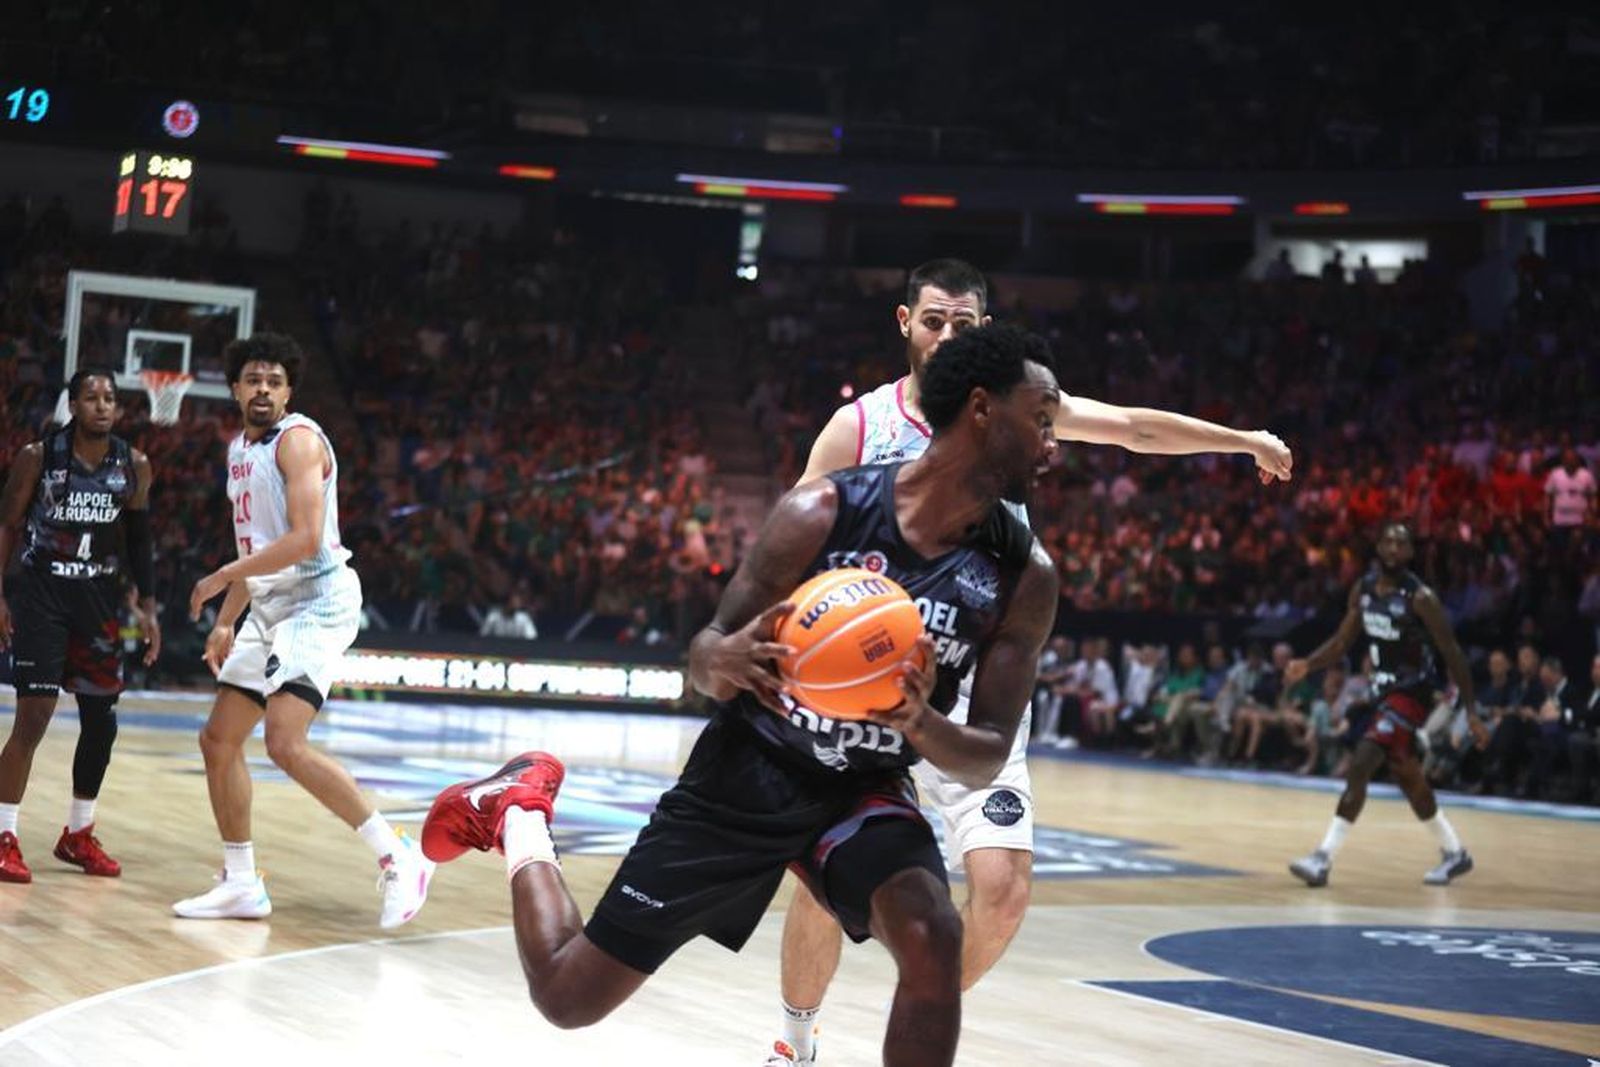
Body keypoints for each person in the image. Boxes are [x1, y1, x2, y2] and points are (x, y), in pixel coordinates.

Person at [419, 322, 1062, 1067]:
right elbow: (703, 657)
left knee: (933, 933)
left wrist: (918, 721)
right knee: (567, 997)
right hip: (748, 771)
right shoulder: (822, 512)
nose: (1053, 445)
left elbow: (985, 754)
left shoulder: (1023, 576)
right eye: (1042, 420)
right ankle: (521, 811)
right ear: (982, 409)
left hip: (861, 789)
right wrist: (729, 655)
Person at [767, 257, 1293, 1066]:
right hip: (873, 676)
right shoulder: (860, 427)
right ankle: (794, 1042)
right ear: (905, 323)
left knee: (1004, 892)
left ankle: (909, 1029)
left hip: (980, 681)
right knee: (822, 886)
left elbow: (1132, 427)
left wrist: (1241, 440)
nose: (948, 335)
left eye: (965, 324)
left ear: (986, 333)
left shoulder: (1018, 407)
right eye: (934, 319)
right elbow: (791, 544)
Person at [172, 334, 433, 927]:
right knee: (218, 742)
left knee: (284, 742)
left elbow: (302, 541)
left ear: (288, 392)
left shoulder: (299, 441)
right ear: (235, 388)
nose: (262, 389)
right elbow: (259, 549)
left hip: (318, 599)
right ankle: (241, 884)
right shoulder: (239, 449)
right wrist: (226, 621)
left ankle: (399, 857)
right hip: (270, 601)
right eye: (252, 379)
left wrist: (219, 578)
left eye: (274, 381)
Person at [0, 368, 160, 882]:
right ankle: (4, 835)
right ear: (72, 404)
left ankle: (78, 833)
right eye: (90, 396)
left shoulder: (133, 464)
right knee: (35, 716)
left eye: (110, 397)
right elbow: (7, 526)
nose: (101, 405)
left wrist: (148, 606)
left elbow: (140, 542)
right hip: (41, 597)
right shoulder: (38, 458)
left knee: (101, 723)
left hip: (98, 603)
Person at [1287, 521, 1488, 887]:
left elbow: (1453, 653)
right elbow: (1341, 642)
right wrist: (1308, 664)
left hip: (1413, 693)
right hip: (1384, 692)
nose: (1394, 549)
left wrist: (1471, 711)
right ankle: (1454, 852)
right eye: (1388, 542)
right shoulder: (1364, 590)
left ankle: (1323, 858)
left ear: (1411, 552)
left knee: (1361, 762)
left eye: (1402, 543)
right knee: (1408, 776)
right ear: (1378, 547)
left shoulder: (1421, 598)